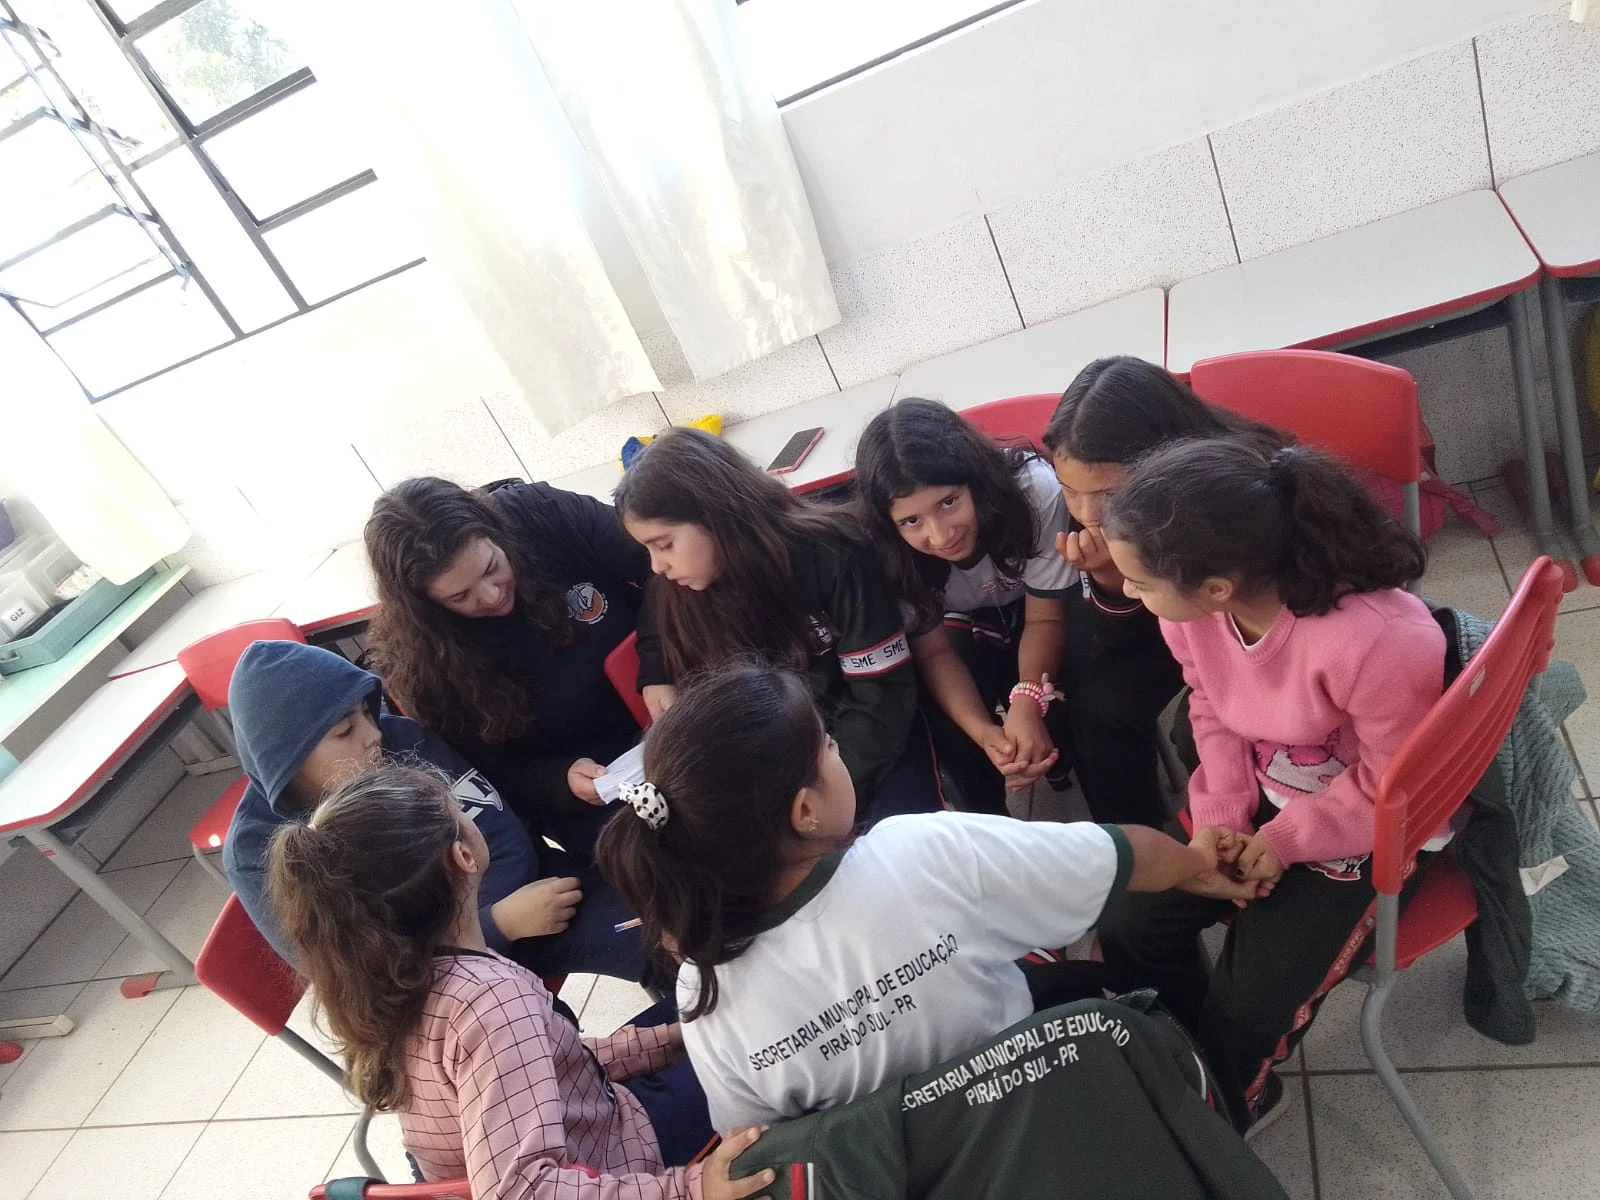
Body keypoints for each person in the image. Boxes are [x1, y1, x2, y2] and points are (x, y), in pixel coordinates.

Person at [594, 663, 1256, 1132]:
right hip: (1049, 1105)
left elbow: (755, 1139)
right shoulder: (917, 851)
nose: (838, 752)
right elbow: (1118, 856)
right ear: (804, 812)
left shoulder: (702, 992)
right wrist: (1197, 866)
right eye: (828, 747)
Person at [1096, 435, 1448, 1138]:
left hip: (1374, 825)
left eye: (1139, 582)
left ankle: (1235, 1097)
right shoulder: (1194, 617)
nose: (1128, 592)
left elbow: (1396, 788)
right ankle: (1188, 1063)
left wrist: (1282, 841)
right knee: (1127, 919)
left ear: (1217, 588)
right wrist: (1221, 818)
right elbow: (1209, 705)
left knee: (1245, 1009)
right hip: (1271, 788)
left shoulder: (1381, 639)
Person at [265, 763, 768, 1200]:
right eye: (463, 811)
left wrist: (665, 1040)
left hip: (578, 1128)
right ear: (463, 858)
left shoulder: (390, 981)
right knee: (756, 1024)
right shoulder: (491, 1001)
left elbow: (547, 1068)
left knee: (702, 1008)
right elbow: (522, 1189)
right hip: (624, 1163)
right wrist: (691, 1187)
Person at [223, 640, 645, 983]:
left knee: (659, 937)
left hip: (530, 894)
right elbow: (358, 974)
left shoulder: (400, 739)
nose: (373, 735)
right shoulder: (257, 852)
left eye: (367, 712)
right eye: (345, 730)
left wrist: (495, 920)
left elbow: (502, 836)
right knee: (536, 1043)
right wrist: (496, 924)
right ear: (287, 760)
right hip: (435, 983)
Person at [616, 427, 940, 824]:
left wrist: (827, 794)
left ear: (717, 514)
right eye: (647, 549)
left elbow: (882, 697)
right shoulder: (681, 588)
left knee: (904, 839)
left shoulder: (836, 556)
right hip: (776, 766)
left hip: (869, 740)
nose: (656, 566)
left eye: (664, 545)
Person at [1034, 357, 1290, 828]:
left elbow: (1263, 611)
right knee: (1097, 706)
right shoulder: (1096, 507)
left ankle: (1261, 823)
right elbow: (1125, 641)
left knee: (1197, 728)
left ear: (1166, 460)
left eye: (1109, 495)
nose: (1088, 515)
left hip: (1249, 627)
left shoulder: (1240, 488)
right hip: (1171, 622)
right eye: (1069, 490)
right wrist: (1110, 577)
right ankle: (1138, 843)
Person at [364, 476, 647, 859]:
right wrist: (559, 782)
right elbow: (489, 775)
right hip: (591, 786)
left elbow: (659, 565)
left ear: (496, 532)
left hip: (666, 703)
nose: (492, 595)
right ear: (426, 607)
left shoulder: (540, 513)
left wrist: (658, 668)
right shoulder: (425, 666)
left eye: (491, 567)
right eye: (460, 596)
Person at [853, 397, 1078, 815]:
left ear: (974, 478)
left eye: (948, 502)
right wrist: (985, 733)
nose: (941, 536)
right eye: (911, 521)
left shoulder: (1032, 491)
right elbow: (934, 653)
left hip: (1042, 604)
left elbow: (1046, 617)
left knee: (1082, 696)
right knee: (949, 730)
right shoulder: (883, 551)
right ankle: (994, 829)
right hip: (962, 620)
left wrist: (1026, 699)